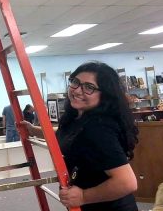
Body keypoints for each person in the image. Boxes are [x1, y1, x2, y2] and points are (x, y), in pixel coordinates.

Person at [21, 61, 139, 211]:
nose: (77, 91)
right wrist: (33, 130)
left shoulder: (98, 129)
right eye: (75, 82)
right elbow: (64, 134)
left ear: (105, 95)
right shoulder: (78, 118)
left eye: (89, 87)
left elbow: (127, 182)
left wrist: (84, 196)